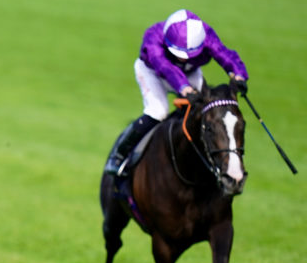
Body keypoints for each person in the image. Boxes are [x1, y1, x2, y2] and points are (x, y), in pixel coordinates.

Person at [104, 9, 248, 176]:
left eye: (190, 54)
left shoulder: (206, 35)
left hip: (189, 73)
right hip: (152, 72)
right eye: (179, 53)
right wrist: (183, 87)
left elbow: (223, 53)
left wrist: (238, 74)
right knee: (158, 111)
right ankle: (119, 154)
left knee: (207, 113)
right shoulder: (152, 37)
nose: (184, 58)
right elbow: (165, 67)